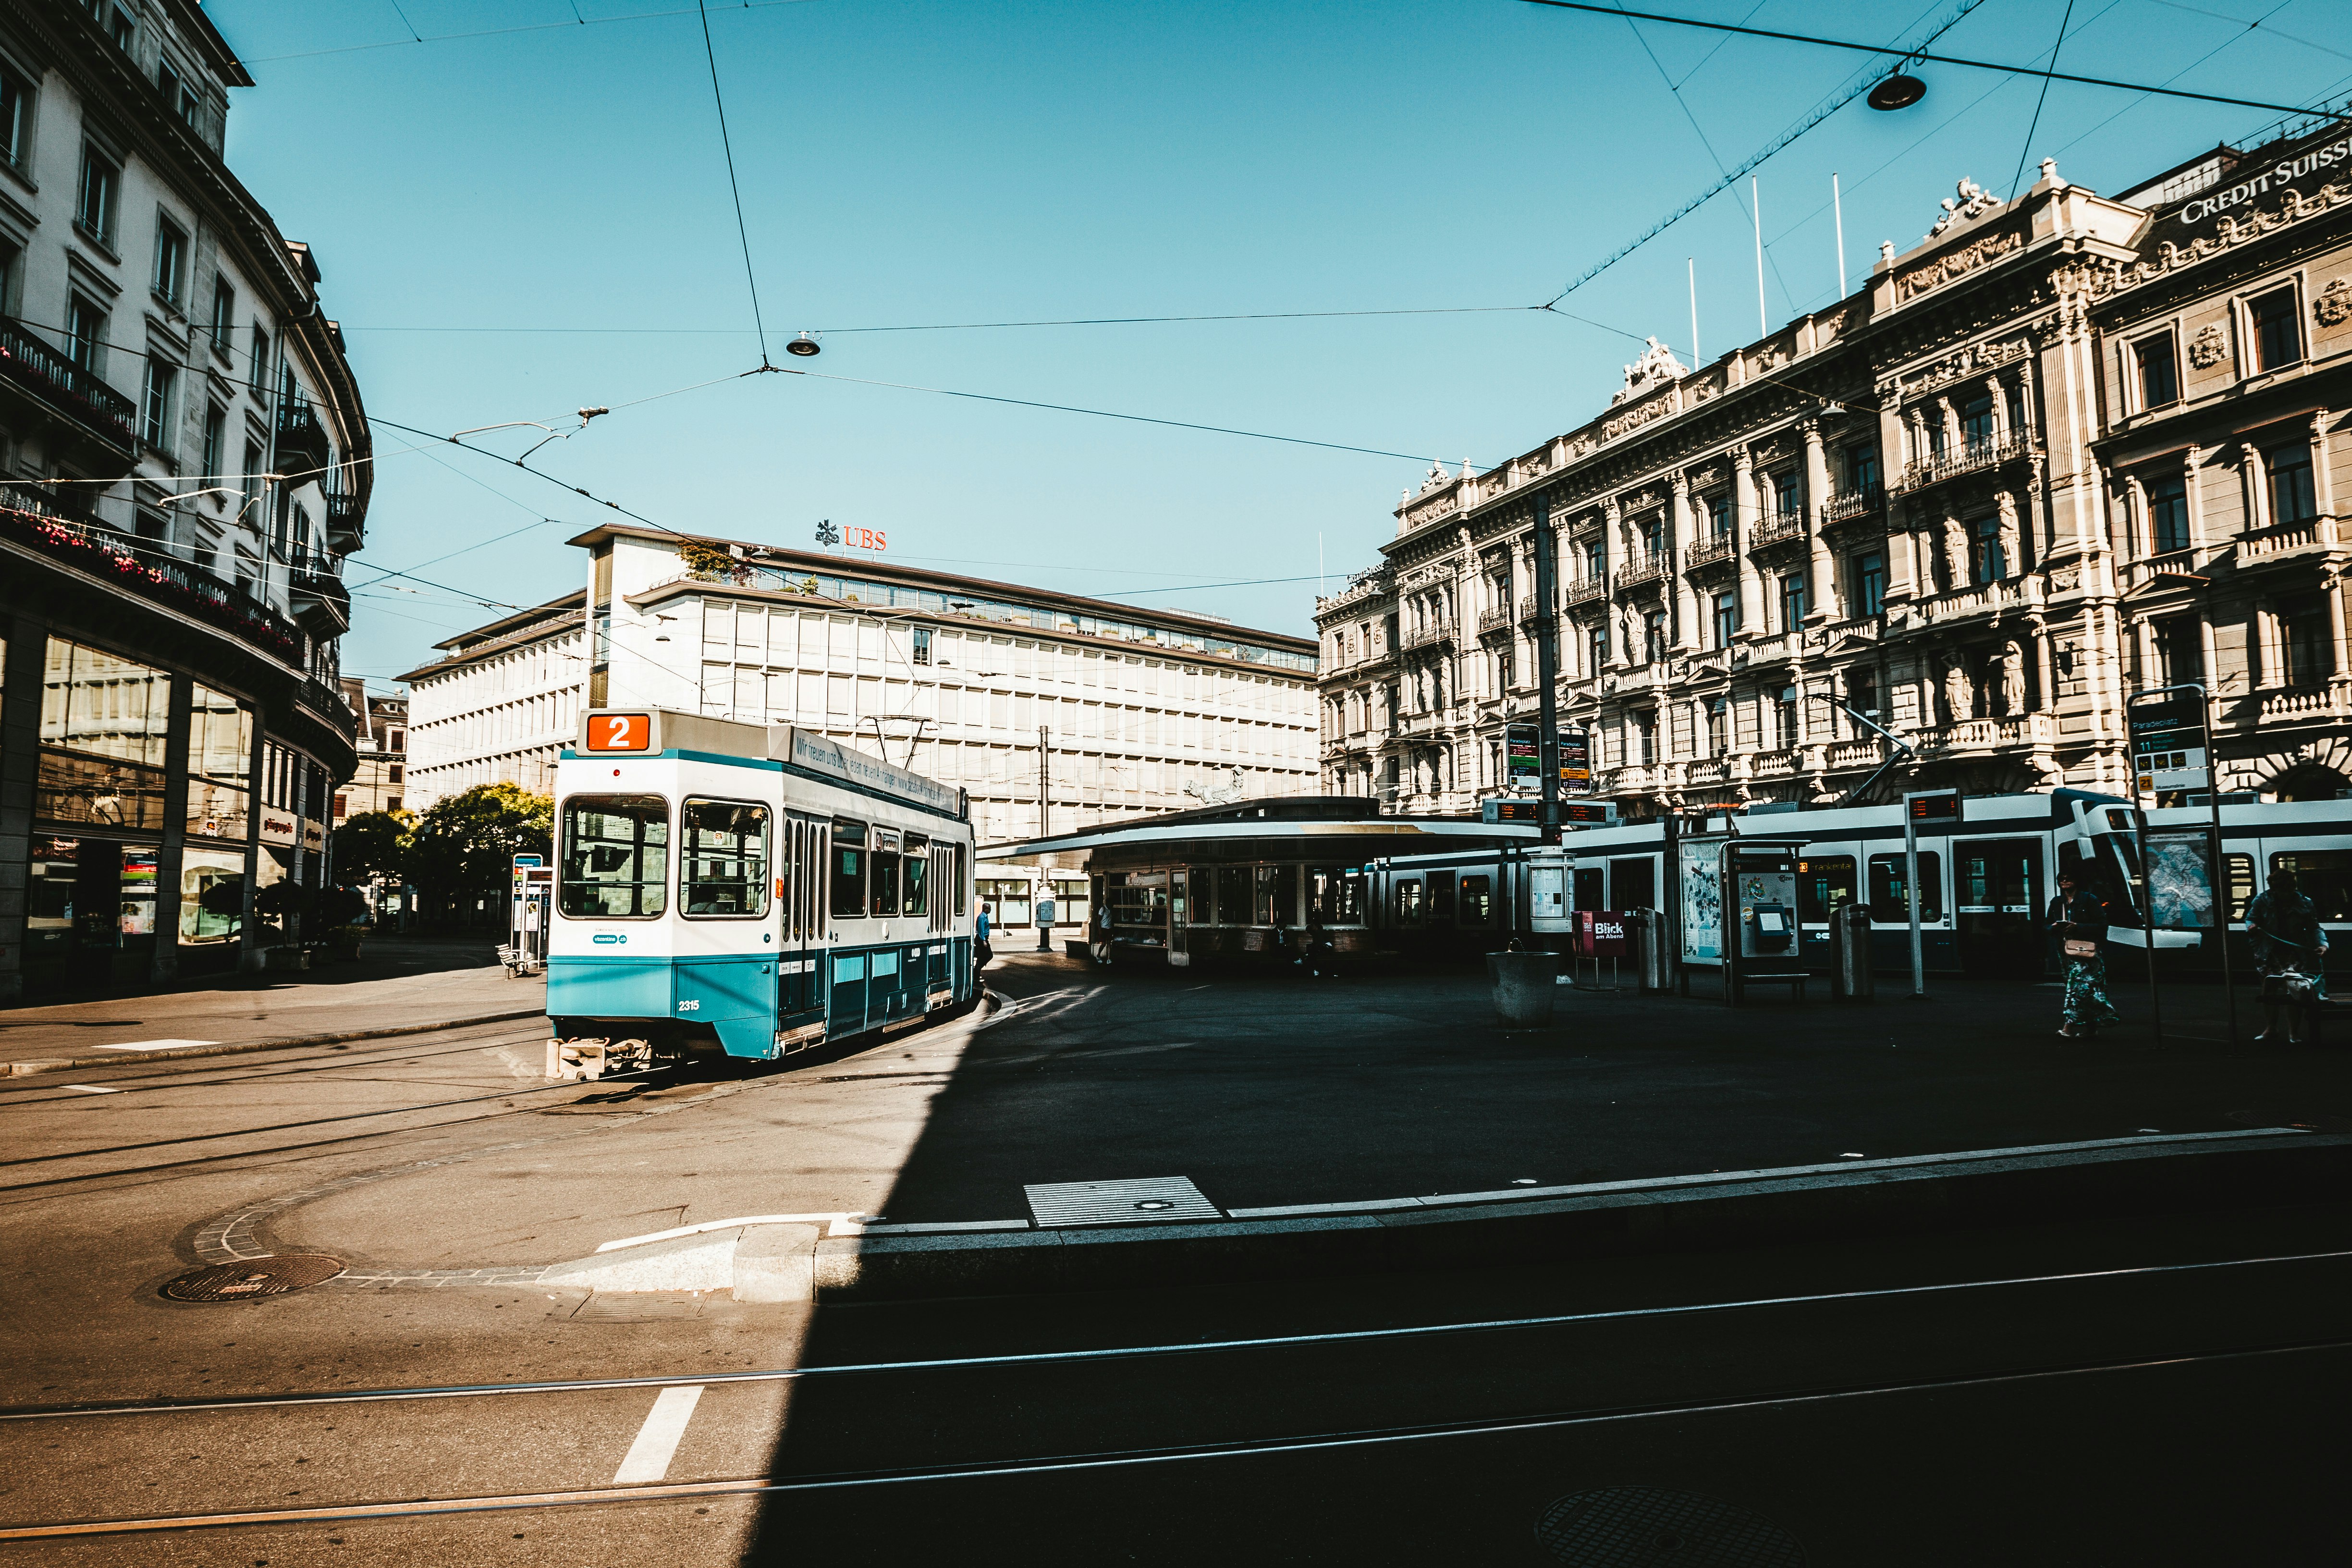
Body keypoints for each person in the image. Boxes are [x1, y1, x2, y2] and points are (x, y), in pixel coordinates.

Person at [2246, 867, 2329, 1044]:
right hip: (2268, 953)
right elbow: (2251, 918)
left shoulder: (2304, 902)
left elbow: (2315, 927)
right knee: (2269, 991)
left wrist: (2322, 944)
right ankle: (2271, 1028)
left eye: (2287, 890)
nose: (2284, 894)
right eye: (2279, 891)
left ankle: (2293, 1032)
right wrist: (2252, 926)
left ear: (2293, 887)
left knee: (2294, 991)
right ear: (2273, 888)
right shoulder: (2263, 900)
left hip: (2293, 953)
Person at [2048, 868, 2121, 1040]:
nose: (2064, 881)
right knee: (2086, 990)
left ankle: (2069, 1027)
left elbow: (2102, 925)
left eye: (2068, 878)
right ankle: (2092, 1027)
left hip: (2087, 951)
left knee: (2076, 989)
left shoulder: (2089, 900)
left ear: (2077, 881)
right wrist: (2053, 928)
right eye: (2061, 879)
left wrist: (2078, 927)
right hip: (2066, 951)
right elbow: (2046, 924)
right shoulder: (2057, 902)